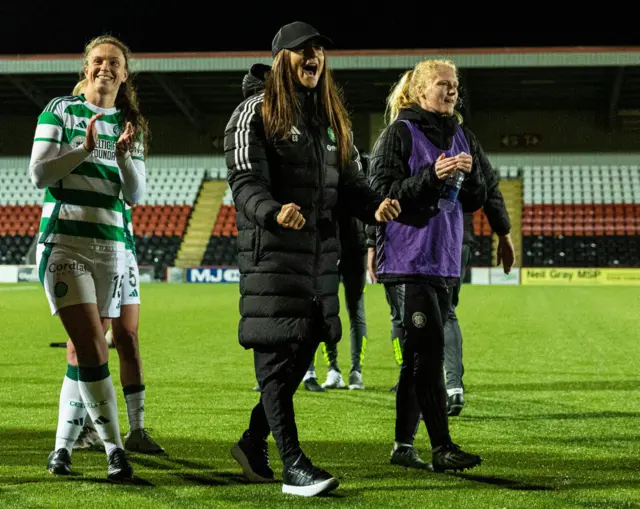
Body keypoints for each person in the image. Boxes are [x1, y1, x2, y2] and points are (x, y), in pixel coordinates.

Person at [224, 21, 400, 497]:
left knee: (303, 349)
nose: (314, 58)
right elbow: (244, 182)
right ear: (282, 58)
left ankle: (251, 443)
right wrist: (274, 212)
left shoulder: (329, 118)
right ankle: (294, 465)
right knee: (276, 352)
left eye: (320, 52)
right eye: (304, 50)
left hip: (319, 255)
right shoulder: (253, 111)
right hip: (272, 255)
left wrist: (374, 206)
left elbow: (350, 185)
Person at [30, 34, 147, 482]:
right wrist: (82, 149)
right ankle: (116, 449)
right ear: (86, 68)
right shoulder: (60, 110)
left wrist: (121, 157)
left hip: (112, 249)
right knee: (95, 346)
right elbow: (39, 173)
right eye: (98, 61)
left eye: (114, 62)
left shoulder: (129, 122)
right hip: (65, 243)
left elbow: (135, 195)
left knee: (84, 351)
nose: (105, 68)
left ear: (124, 72)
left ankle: (62, 448)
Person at [369, 58, 489, 472]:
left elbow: (476, 199)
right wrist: (433, 177)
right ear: (421, 92)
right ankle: (442, 447)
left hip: (442, 260)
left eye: (455, 84)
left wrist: (471, 178)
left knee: (417, 357)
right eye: (443, 84)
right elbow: (380, 195)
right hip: (407, 259)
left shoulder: (462, 136)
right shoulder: (398, 134)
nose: (452, 90)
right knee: (430, 352)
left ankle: (403, 446)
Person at [73, 203, 165, 454]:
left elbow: (135, 190)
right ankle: (89, 426)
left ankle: (137, 430)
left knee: (128, 337)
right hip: (93, 249)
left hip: (124, 250)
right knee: (91, 340)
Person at [303, 209, 369, 391]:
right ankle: (345, 372)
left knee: (334, 309)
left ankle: (346, 371)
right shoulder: (356, 179)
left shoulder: (328, 179)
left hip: (340, 246)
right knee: (335, 309)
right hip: (342, 245)